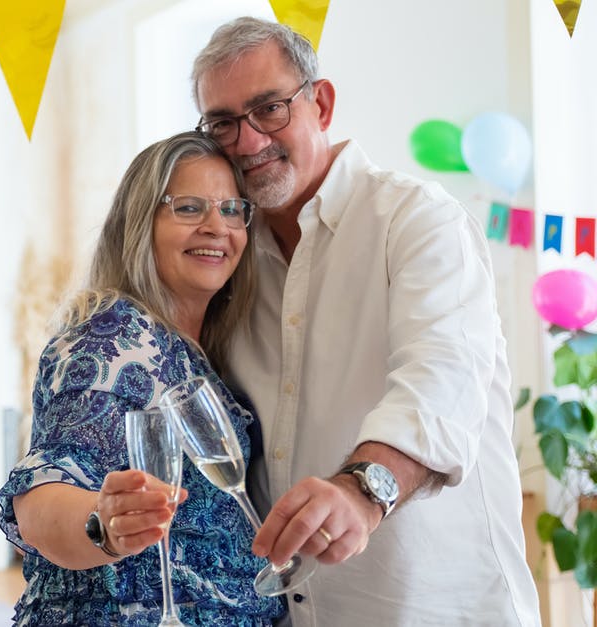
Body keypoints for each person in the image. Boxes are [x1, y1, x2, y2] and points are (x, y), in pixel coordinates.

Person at [189, 16, 540, 626]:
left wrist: (362, 490)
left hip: (440, 607)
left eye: (270, 108)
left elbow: (442, 380)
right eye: (223, 123)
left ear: (320, 104)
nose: (247, 142)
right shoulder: (231, 264)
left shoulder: (418, 219)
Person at [0, 131, 286, 626]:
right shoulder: (111, 342)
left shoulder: (199, 345)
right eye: (189, 208)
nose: (217, 227)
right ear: (139, 223)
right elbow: (42, 495)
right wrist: (103, 526)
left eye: (232, 209)